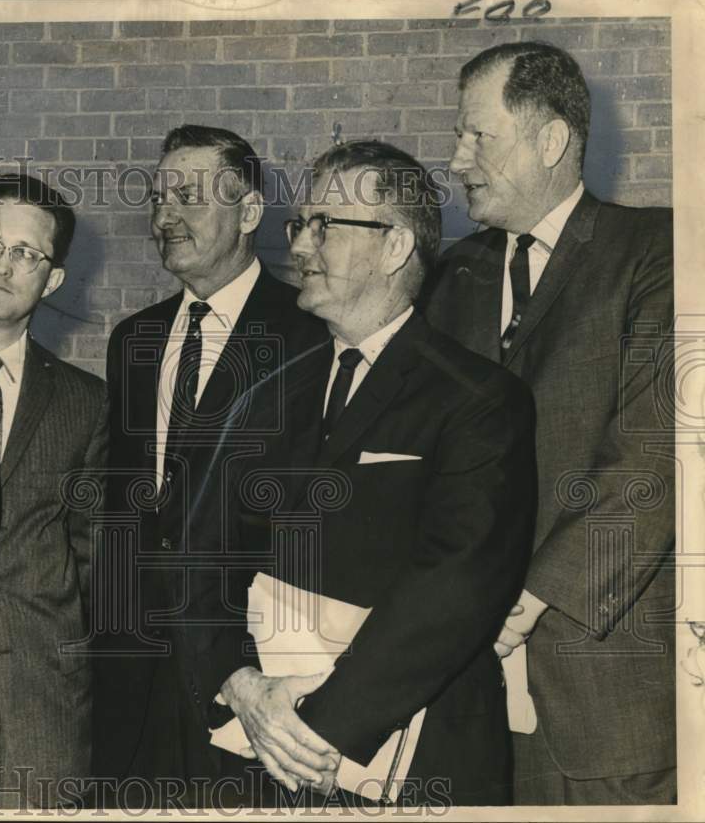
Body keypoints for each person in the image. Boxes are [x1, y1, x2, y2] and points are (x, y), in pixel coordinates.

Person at [217, 139, 537, 806]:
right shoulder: (266, 395)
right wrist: (241, 685)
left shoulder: (478, 399)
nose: (300, 246)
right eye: (299, 225)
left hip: (408, 762)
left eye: (324, 226)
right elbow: (205, 557)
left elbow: (455, 585)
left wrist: (315, 728)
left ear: (394, 248)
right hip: (259, 749)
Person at [426, 42, 675, 804]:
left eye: (477, 135)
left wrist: (527, 599)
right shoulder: (452, 277)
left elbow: (654, 452)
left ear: (552, 140)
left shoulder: (658, 251)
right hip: (462, 701)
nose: (457, 158)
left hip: (604, 698)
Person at [92, 124, 329, 805]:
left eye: (189, 197)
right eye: (160, 197)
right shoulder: (132, 339)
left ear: (250, 212)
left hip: (249, 664)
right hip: (134, 670)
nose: (166, 216)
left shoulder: (308, 332)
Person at [0, 174, 108, 809]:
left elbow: (93, 558)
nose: (3, 265)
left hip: (44, 697)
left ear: (54, 280)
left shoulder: (84, 402)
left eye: (27, 253)